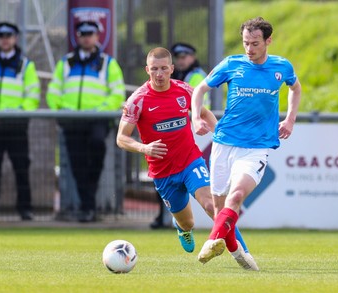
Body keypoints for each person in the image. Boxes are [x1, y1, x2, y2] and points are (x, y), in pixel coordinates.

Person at [117, 48, 256, 270]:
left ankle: (243, 254)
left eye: (164, 68)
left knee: (213, 206)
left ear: (172, 69)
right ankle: (182, 228)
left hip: (191, 162)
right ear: (147, 70)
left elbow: (205, 113)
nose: (159, 74)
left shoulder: (184, 91)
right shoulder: (138, 100)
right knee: (187, 221)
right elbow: (121, 138)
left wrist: (220, 135)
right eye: (154, 69)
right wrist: (145, 148)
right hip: (163, 173)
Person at [191, 17, 302, 270]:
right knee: (219, 211)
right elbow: (199, 90)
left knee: (237, 195)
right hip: (224, 143)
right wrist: (196, 117)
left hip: (257, 147)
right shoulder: (232, 64)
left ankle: (211, 242)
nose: (249, 49)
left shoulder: (281, 67)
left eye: (254, 43)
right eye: (245, 43)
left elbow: (295, 89)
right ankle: (239, 254)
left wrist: (290, 119)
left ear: (268, 41)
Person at [47, 20, 125, 222]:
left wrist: (99, 110)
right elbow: (54, 90)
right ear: (78, 37)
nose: (87, 38)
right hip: (72, 120)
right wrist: (61, 110)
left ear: (97, 36)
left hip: (97, 119)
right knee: (77, 165)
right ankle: (87, 207)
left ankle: (88, 204)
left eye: (90, 34)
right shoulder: (66, 62)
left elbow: (117, 93)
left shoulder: (108, 63)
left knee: (96, 150)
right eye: (83, 34)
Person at [0, 22, 40, 221]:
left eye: (8, 36)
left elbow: (32, 94)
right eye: (1, 36)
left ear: (15, 39)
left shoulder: (24, 64)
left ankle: (25, 209)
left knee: (21, 168)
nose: (5, 40)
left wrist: (20, 112)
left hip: (15, 124)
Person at [149, 43, 209, 229]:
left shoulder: (195, 77)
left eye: (185, 57)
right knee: (186, 220)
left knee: (208, 202)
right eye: (179, 57)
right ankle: (173, 219)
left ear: (192, 57)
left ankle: (239, 249)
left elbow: (199, 106)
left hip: (192, 139)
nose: (182, 60)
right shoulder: (169, 79)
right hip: (164, 154)